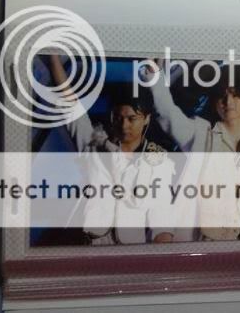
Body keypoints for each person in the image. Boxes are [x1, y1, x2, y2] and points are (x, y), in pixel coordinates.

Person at [141, 60, 240, 241]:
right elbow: (169, 114)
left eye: (235, 95)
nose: (228, 101)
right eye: (221, 96)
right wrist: (154, 77)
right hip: (208, 242)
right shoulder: (201, 135)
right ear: (214, 103)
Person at [49, 55, 175, 245]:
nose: (124, 125)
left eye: (132, 119)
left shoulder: (160, 163)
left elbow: (162, 223)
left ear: (146, 119)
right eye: (118, 118)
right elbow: (69, 104)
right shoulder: (93, 145)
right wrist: (52, 55)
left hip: (131, 253)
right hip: (89, 247)